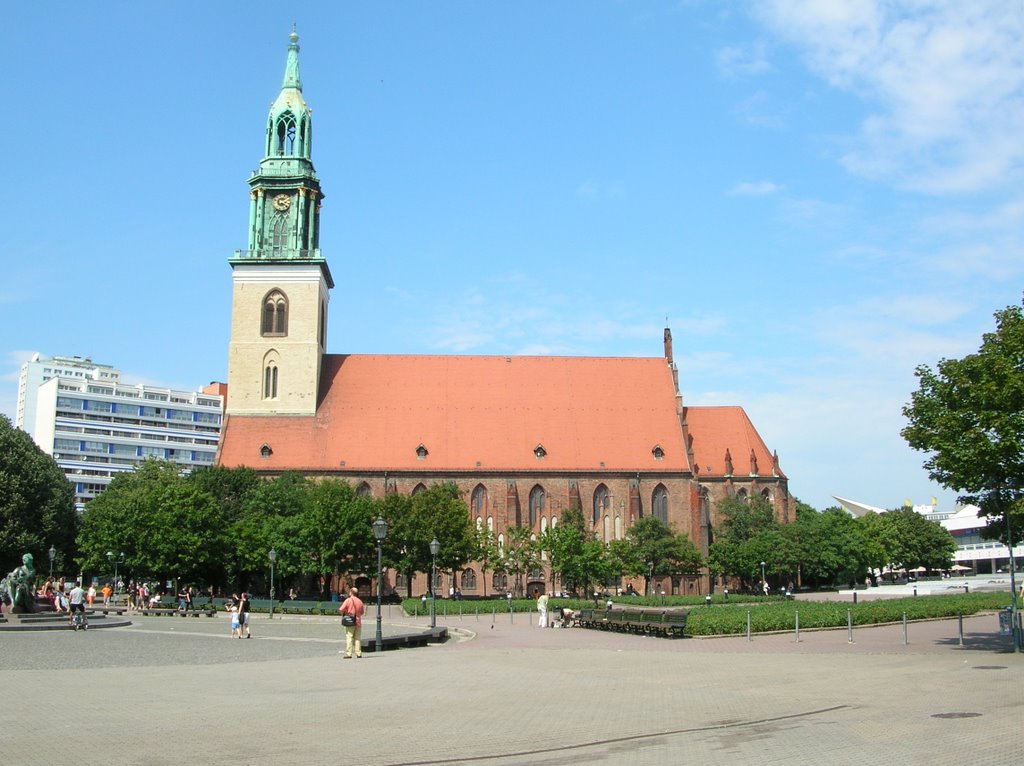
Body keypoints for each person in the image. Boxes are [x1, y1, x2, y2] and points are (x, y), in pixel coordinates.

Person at [338, 586, 365, 658]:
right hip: (358, 622)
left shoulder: (348, 600)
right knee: (357, 638)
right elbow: (362, 612)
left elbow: (341, 609)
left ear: (351, 593)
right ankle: (358, 653)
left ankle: (349, 653)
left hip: (350, 621)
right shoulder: (360, 601)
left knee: (349, 637)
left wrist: (345, 613)